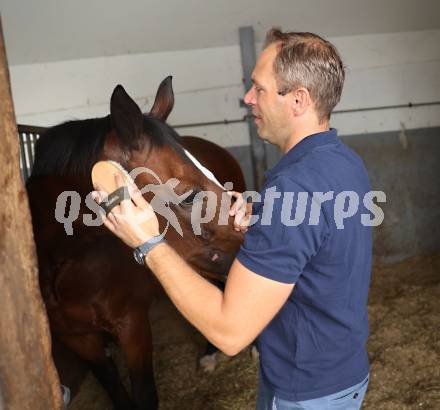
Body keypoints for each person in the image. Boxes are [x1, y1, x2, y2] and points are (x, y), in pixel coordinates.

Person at [93, 28, 372, 410]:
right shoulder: (342, 161)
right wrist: (263, 222)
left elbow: (229, 333)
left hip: (304, 392)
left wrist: (148, 242)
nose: (247, 99)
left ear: (299, 100)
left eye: (258, 89)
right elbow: (318, 240)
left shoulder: (293, 188)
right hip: (343, 373)